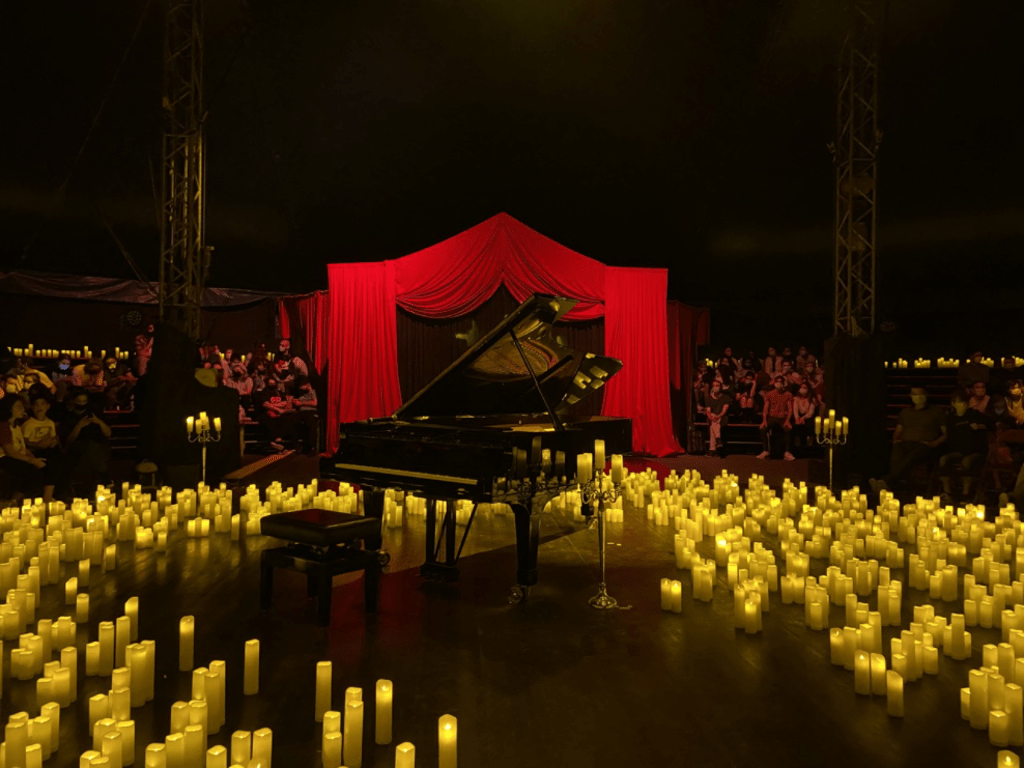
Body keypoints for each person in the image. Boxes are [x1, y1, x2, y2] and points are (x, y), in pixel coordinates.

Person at [871, 386, 947, 494]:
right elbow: (899, 430)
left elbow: (945, 433)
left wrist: (934, 443)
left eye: (920, 394)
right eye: (914, 394)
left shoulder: (936, 411)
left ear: (926, 395)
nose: (917, 397)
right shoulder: (905, 412)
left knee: (911, 456)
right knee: (896, 454)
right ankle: (890, 483)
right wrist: (895, 440)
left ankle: (886, 481)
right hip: (905, 442)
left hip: (923, 444)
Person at [0, 396, 54, 504]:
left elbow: (22, 447)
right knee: (33, 472)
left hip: (19, 456)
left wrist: (33, 458)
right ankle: (12, 501)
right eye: (19, 407)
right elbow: (9, 450)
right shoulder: (4, 426)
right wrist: (31, 461)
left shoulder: (16, 425)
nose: (23, 410)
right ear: (9, 409)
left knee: (48, 465)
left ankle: (47, 498)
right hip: (5, 458)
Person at [938, 391, 991, 501]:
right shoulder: (950, 418)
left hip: (975, 450)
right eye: (959, 403)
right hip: (957, 450)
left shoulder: (975, 415)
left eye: (964, 403)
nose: (962, 405)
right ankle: (947, 492)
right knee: (943, 460)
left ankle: (966, 493)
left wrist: (980, 426)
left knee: (967, 462)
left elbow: (990, 424)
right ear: (953, 404)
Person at [59, 388, 113, 486]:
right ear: (73, 401)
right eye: (79, 401)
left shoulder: (93, 413)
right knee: (90, 448)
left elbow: (108, 433)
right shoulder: (68, 416)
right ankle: (103, 476)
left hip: (99, 446)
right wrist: (78, 426)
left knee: (93, 451)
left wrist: (99, 422)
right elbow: (68, 440)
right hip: (78, 447)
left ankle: (89, 484)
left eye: (84, 401)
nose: (82, 404)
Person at [21, 393, 71, 499]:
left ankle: (60, 492)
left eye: (42, 404)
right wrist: (38, 445)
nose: (39, 407)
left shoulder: (50, 423)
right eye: (36, 404)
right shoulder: (28, 424)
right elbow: (25, 441)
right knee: (51, 462)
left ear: (48, 406)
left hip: (50, 450)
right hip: (36, 451)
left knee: (62, 461)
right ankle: (48, 495)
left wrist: (53, 442)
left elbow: (53, 437)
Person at [253, 374, 296, 452]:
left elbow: (284, 402)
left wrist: (273, 405)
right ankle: (276, 441)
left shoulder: (278, 392)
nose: (272, 385)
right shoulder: (264, 392)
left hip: (279, 412)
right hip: (267, 413)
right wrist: (277, 409)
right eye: (270, 383)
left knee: (288, 420)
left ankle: (277, 441)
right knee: (268, 420)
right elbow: (265, 404)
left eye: (273, 383)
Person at [758, 375, 795, 460]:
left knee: (788, 429)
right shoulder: (769, 394)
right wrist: (764, 421)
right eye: (777, 382)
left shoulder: (788, 394)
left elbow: (790, 409)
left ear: (783, 384)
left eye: (780, 382)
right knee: (762, 429)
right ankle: (765, 450)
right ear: (774, 383)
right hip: (772, 417)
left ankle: (787, 452)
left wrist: (788, 421)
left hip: (783, 418)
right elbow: (765, 409)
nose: (779, 384)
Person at [702, 379, 732, 456]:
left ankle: (712, 449)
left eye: (717, 385)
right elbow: (708, 410)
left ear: (720, 387)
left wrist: (717, 416)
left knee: (713, 425)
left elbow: (724, 410)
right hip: (712, 418)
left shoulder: (725, 398)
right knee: (713, 422)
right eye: (714, 386)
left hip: (723, 418)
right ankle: (718, 440)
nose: (715, 387)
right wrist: (711, 416)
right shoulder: (709, 398)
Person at [791, 384, 817, 448]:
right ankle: (797, 445)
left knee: (810, 425)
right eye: (802, 387)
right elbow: (795, 409)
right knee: (795, 425)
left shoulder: (812, 399)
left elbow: (811, 412)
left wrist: (803, 418)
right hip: (799, 416)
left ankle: (809, 445)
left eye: (805, 388)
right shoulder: (796, 399)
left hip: (808, 417)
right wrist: (797, 418)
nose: (803, 389)